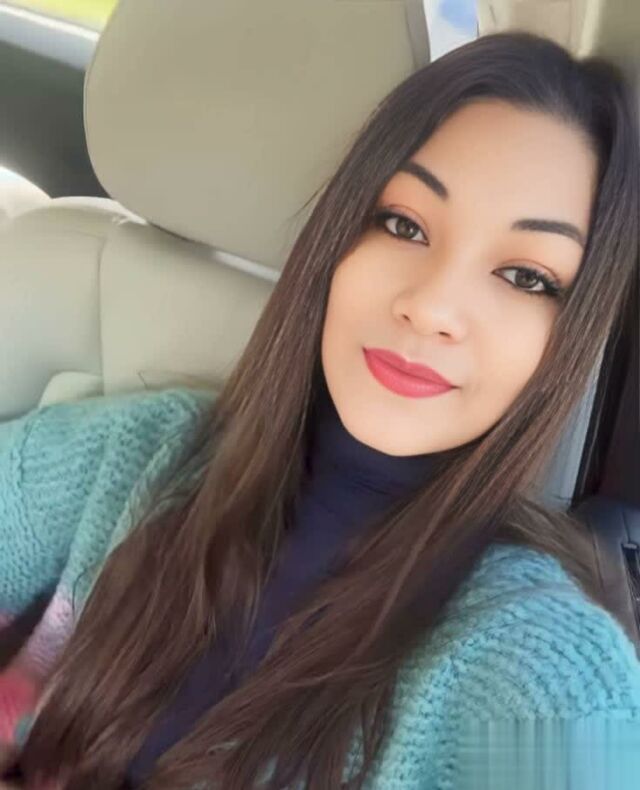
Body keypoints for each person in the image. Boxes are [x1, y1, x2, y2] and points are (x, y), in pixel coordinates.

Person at [1, 30, 640, 790]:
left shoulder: (543, 670)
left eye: (527, 277)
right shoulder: (130, 450)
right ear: (337, 241)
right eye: (403, 225)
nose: (432, 307)